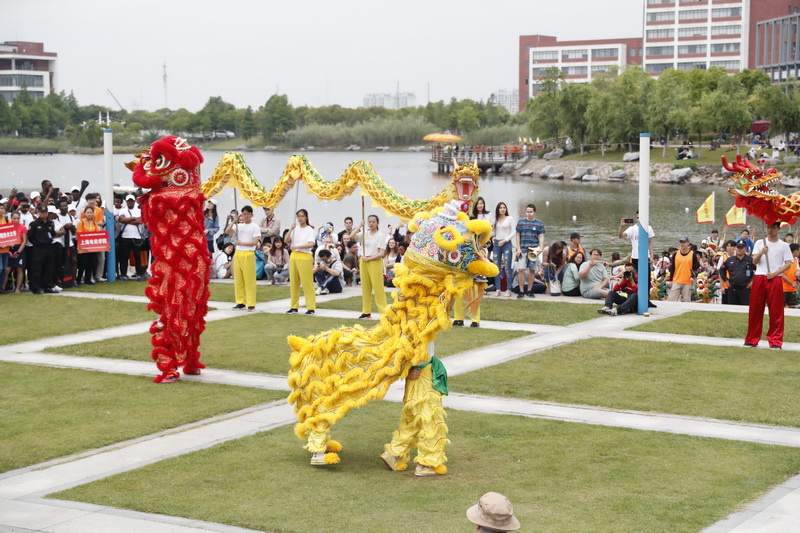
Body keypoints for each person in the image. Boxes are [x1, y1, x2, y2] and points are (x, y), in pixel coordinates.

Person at [745, 222, 793, 349]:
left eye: (773, 228)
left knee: (776, 310)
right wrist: (761, 252)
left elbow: (788, 264)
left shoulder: (783, 246)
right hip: (759, 277)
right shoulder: (759, 243)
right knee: (755, 309)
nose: (770, 230)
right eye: (768, 227)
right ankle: (752, 338)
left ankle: (775, 340)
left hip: (775, 278)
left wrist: (775, 273)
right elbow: (754, 261)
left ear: (778, 228)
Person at [350, 214, 387, 319]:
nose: (371, 224)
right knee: (365, 287)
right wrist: (359, 225)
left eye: (373, 222)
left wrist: (369, 259)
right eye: (369, 222)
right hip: (364, 261)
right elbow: (352, 236)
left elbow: (381, 253)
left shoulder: (380, 235)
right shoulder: (364, 233)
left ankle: (383, 312)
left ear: (377, 223)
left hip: (375, 261)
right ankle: (366, 311)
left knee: (378, 288)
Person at [226, 205, 260, 311]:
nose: (246, 216)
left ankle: (251, 303)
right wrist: (233, 221)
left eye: (248, 214)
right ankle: (240, 302)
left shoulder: (255, 226)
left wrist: (242, 243)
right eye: (244, 214)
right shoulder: (239, 226)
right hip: (238, 253)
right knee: (238, 279)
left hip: (248, 253)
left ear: (252, 215)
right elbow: (227, 231)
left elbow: (255, 242)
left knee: (249, 279)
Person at [286, 208, 317, 314]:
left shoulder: (309, 230)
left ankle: (311, 307)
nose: (300, 218)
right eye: (298, 216)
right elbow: (286, 240)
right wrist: (291, 229)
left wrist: (297, 246)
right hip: (294, 255)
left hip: (305, 255)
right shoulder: (295, 229)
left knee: (307, 282)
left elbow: (311, 244)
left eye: (302, 216)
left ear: (306, 217)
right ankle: (294, 306)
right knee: (294, 282)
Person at [514, 203, 545, 299]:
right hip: (523, 249)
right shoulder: (521, 222)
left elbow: (541, 236)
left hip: (533, 250)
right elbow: (517, 235)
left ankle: (529, 290)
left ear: (534, 212)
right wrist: (518, 248)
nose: (529, 213)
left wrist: (541, 247)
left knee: (532, 270)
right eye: (527, 212)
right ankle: (521, 291)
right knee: (521, 269)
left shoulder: (539, 223)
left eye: (531, 212)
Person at [27, 204, 57, 295]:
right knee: (37, 268)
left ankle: (47, 286)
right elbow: (30, 236)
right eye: (42, 212)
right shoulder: (34, 224)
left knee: (49, 268)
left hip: (49, 247)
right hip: (38, 248)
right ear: (38, 213)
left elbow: (52, 233)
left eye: (45, 212)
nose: (44, 214)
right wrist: (36, 243)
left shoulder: (50, 223)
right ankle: (36, 288)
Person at [117, 194, 147, 281]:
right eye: (129, 201)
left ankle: (139, 274)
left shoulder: (139, 210)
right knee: (124, 256)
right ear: (126, 202)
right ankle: (124, 274)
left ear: (134, 201)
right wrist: (133, 218)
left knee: (137, 256)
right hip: (125, 236)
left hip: (137, 236)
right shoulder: (123, 210)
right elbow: (121, 220)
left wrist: (127, 219)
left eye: (132, 201)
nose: (130, 202)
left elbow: (140, 221)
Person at [492, 201, 515, 297]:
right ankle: (498, 289)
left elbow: (513, 232)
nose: (502, 209)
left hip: (507, 244)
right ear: (498, 209)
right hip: (497, 244)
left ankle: (508, 289)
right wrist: (493, 237)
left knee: (507, 267)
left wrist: (505, 240)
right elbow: (494, 232)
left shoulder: (509, 218)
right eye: (500, 208)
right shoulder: (495, 219)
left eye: (504, 208)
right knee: (496, 267)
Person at [720, 241, 754, 305]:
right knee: (732, 307)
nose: (739, 249)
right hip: (732, 289)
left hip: (745, 289)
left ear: (745, 248)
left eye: (741, 248)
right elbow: (721, 270)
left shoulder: (750, 260)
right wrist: (726, 281)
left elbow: (758, 271)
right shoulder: (730, 260)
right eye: (738, 248)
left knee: (745, 308)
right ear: (736, 248)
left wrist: (752, 281)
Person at [667, 236, 699, 302]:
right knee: (671, 300)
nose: (682, 244)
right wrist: (671, 280)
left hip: (688, 281)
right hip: (676, 280)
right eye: (681, 242)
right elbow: (672, 268)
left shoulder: (692, 254)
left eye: (684, 242)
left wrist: (693, 276)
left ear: (688, 243)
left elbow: (695, 268)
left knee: (686, 300)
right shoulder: (676, 254)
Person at [76, 206, 101, 286]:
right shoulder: (81, 222)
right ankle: (79, 279)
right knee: (83, 263)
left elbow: (98, 233)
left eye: (91, 213)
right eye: (88, 212)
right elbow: (79, 234)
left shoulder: (94, 223)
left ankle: (88, 280)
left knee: (90, 263)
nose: (89, 214)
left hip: (92, 246)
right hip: (84, 246)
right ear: (85, 213)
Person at [5, 210, 27, 293]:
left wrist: (18, 252)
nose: (16, 220)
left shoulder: (23, 227)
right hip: (9, 248)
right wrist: (8, 251)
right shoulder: (7, 227)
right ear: (11, 218)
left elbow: (24, 241)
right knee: (7, 269)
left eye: (18, 218)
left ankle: (17, 288)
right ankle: (3, 287)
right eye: (14, 218)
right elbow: (4, 239)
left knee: (19, 269)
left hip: (19, 248)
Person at [782, 242, 800, 308]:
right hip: (783, 289)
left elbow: (797, 270)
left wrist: (798, 273)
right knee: (781, 307)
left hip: (793, 289)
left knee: (793, 307)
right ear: (795, 251)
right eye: (799, 250)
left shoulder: (796, 260)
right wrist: (791, 283)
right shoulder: (784, 260)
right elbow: (782, 274)